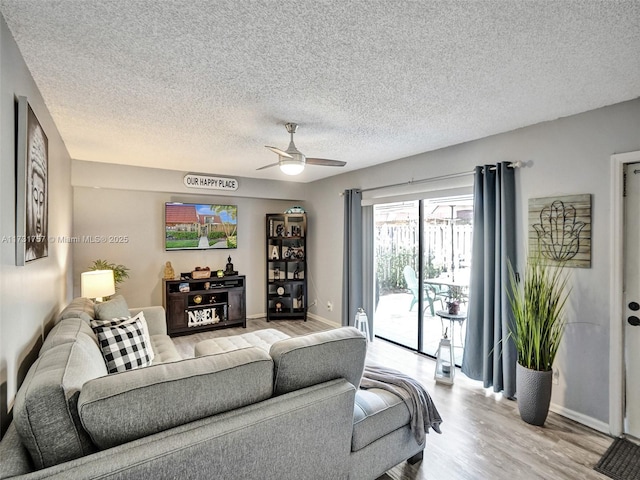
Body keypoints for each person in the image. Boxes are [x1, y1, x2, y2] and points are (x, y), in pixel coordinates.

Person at [25, 112, 48, 262]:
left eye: (41, 199)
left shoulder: (43, 248)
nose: (39, 215)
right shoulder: (27, 252)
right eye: (35, 197)